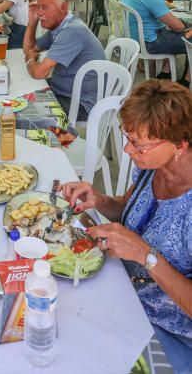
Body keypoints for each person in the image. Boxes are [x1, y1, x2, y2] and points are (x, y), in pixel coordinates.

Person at [61, 80, 192, 374]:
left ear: (180, 145)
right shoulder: (152, 166)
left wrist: (146, 255)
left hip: (171, 331)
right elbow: (130, 210)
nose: (127, 150)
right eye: (127, 138)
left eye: (138, 144)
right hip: (126, 295)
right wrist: (100, 200)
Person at [23, 0, 106, 120]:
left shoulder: (71, 31)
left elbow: (39, 73)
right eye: (38, 7)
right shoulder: (59, 26)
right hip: (63, 90)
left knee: (24, 111)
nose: (39, 13)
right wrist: (32, 23)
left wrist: (30, 61)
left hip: (80, 103)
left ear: (64, 7)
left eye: (44, 8)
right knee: (21, 94)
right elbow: (30, 49)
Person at [120, 0, 191, 85]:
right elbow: (178, 27)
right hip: (150, 43)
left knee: (174, 32)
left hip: (135, 38)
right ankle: (186, 82)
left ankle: (165, 73)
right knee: (186, 35)